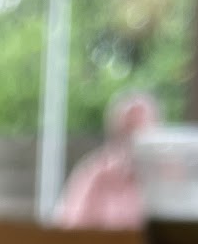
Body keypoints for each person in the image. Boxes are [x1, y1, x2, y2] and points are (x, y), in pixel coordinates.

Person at [54, 90, 161, 229]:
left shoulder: (169, 178)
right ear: (113, 133)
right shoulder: (93, 174)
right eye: (127, 130)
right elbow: (69, 227)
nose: (133, 139)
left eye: (141, 131)